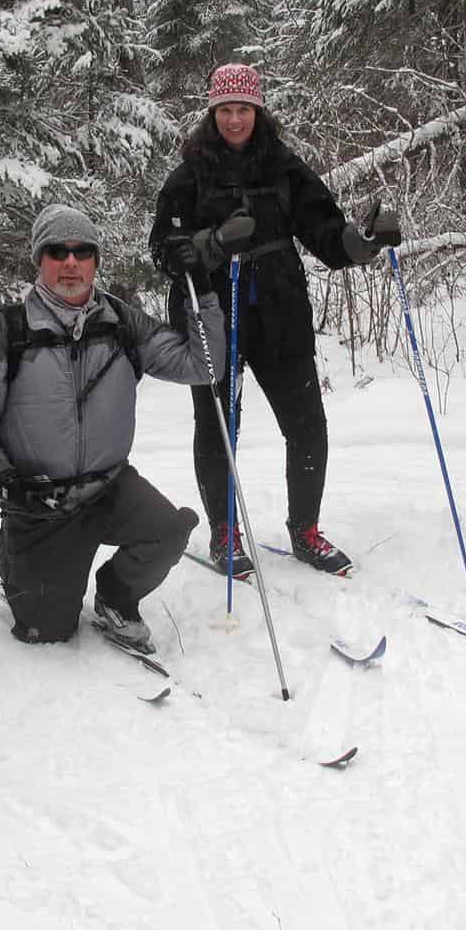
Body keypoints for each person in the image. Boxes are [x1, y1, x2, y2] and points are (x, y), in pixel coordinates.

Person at [148, 62, 400, 577]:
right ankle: (224, 530)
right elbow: (163, 253)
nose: (234, 120)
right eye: (225, 110)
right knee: (218, 427)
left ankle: (305, 530)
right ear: (211, 113)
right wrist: (212, 244)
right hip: (215, 313)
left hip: (281, 312)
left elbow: (327, 235)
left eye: (243, 109)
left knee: (307, 425)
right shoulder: (189, 174)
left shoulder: (285, 168)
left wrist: (365, 240)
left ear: (258, 112)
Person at [0, 203, 228, 648]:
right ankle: (15, 559)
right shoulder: (7, 331)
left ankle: (116, 598)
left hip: (110, 487)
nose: (71, 263)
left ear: (96, 261)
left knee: (169, 530)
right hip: (40, 502)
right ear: (39, 260)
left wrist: (201, 288)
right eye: (57, 251)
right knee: (47, 631)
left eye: (83, 252)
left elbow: (204, 365)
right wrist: (5, 480)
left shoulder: (122, 322)